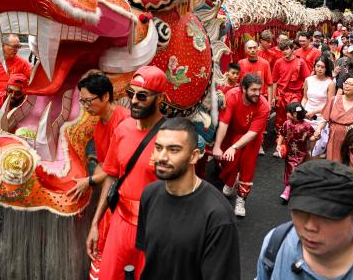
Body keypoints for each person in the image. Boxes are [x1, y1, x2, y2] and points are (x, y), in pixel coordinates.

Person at [86, 65, 167, 280]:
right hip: (120, 224)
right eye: (131, 94)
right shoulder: (122, 129)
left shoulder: (173, 136)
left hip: (155, 229)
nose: (134, 101)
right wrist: (96, 224)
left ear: (160, 98)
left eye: (142, 96)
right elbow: (111, 176)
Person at [135, 117, 240, 280]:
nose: (162, 157)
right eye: (158, 147)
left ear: (194, 156)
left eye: (174, 149)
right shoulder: (149, 195)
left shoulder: (218, 215)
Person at [72, 72, 130, 278]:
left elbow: (115, 170)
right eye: (82, 101)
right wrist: (86, 183)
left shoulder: (125, 122)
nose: (85, 106)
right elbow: (105, 164)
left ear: (105, 96)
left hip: (126, 197)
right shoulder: (99, 125)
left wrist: (88, 181)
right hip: (113, 192)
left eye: (88, 100)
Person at [213, 74, 270, 217]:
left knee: (247, 168)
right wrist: (217, 146)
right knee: (229, 161)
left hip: (252, 139)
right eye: (254, 90)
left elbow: (252, 133)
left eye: (259, 89)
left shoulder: (264, 105)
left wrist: (234, 147)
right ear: (243, 89)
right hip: (232, 133)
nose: (258, 93)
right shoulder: (232, 95)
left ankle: (241, 200)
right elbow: (224, 122)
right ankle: (231, 181)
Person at [312, 76, 353, 162]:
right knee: (332, 163)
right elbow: (324, 118)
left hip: (352, 139)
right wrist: (318, 129)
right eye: (345, 83)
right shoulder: (334, 100)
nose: (346, 86)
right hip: (333, 137)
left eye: (350, 84)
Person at [277, 102, 314, 203]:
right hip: (289, 152)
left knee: (294, 169)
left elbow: (311, 137)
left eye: (288, 112)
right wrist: (279, 145)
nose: (286, 114)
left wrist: (313, 141)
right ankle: (293, 187)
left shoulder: (306, 126)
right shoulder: (286, 123)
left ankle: (288, 190)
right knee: (289, 169)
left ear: (294, 113)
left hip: (300, 153)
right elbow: (282, 133)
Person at [272, 39, 311, 129]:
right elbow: (274, 80)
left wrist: (306, 96)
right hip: (281, 94)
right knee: (280, 118)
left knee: (295, 117)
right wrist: (274, 96)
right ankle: (280, 139)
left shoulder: (300, 62)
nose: (284, 51)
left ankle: (294, 138)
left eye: (286, 49)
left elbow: (307, 80)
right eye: (282, 50)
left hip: (295, 94)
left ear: (292, 49)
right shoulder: (278, 62)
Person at [301, 55, 335, 131]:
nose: (319, 69)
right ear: (314, 66)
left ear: (326, 69)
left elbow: (329, 105)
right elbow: (305, 97)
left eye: (322, 67)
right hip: (306, 114)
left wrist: (314, 112)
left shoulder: (330, 83)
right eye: (318, 66)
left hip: (321, 117)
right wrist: (302, 108)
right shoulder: (308, 80)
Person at [239, 40, 273, 105]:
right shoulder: (241, 63)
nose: (252, 50)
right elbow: (237, 83)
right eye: (250, 48)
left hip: (259, 98)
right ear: (245, 50)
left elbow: (269, 84)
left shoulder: (265, 63)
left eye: (254, 47)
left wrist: (269, 103)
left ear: (258, 49)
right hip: (244, 100)